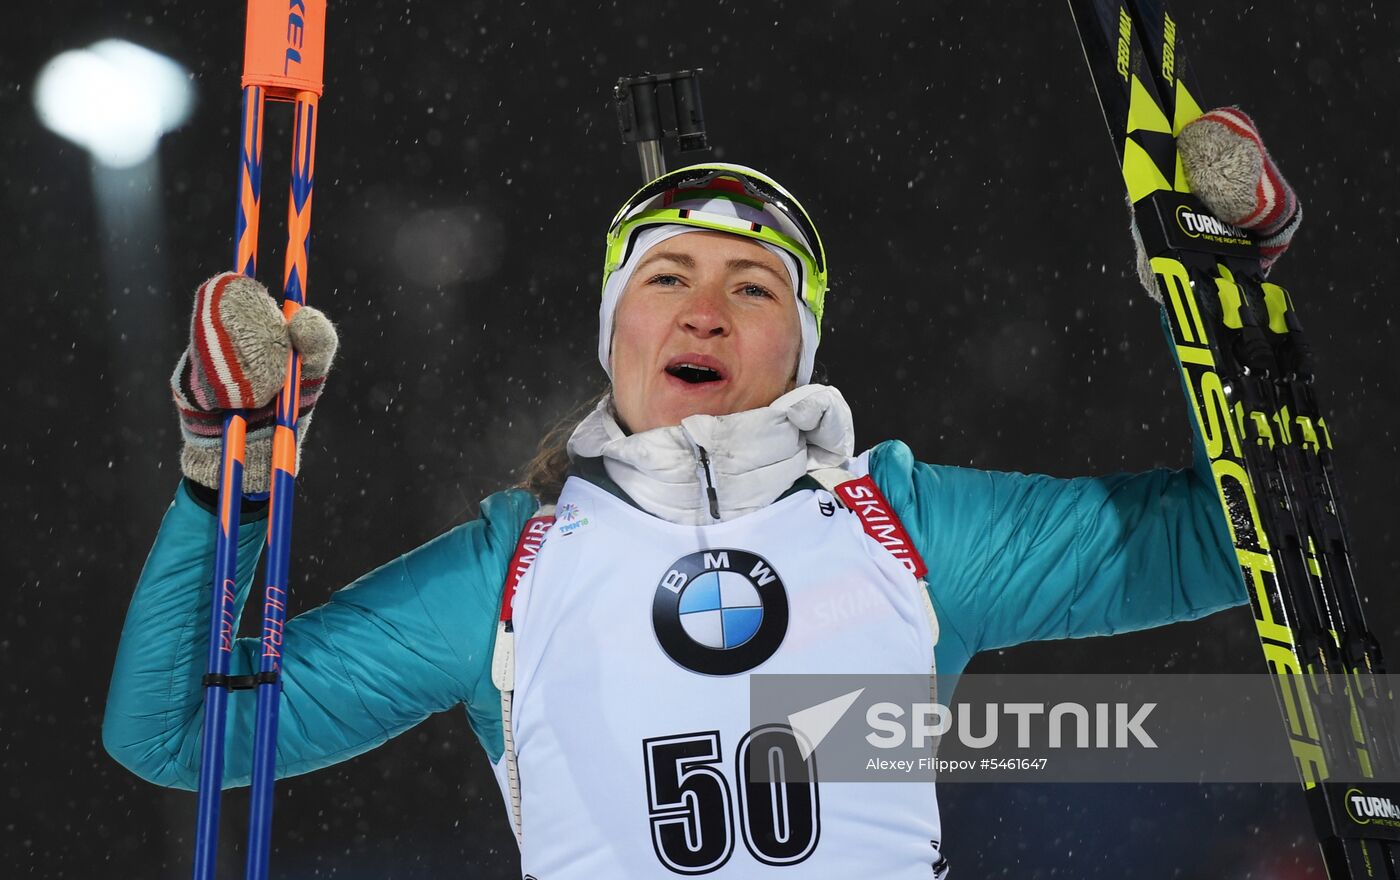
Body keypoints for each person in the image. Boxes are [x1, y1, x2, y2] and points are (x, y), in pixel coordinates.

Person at [103, 109, 1300, 877]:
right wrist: (227, 486)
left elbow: (1226, 536)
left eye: (754, 286)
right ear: (614, 329)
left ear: (800, 345)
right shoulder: (512, 573)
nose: (704, 306)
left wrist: (1227, 312)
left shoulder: (907, 527)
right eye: (665, 274)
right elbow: (179, 737)